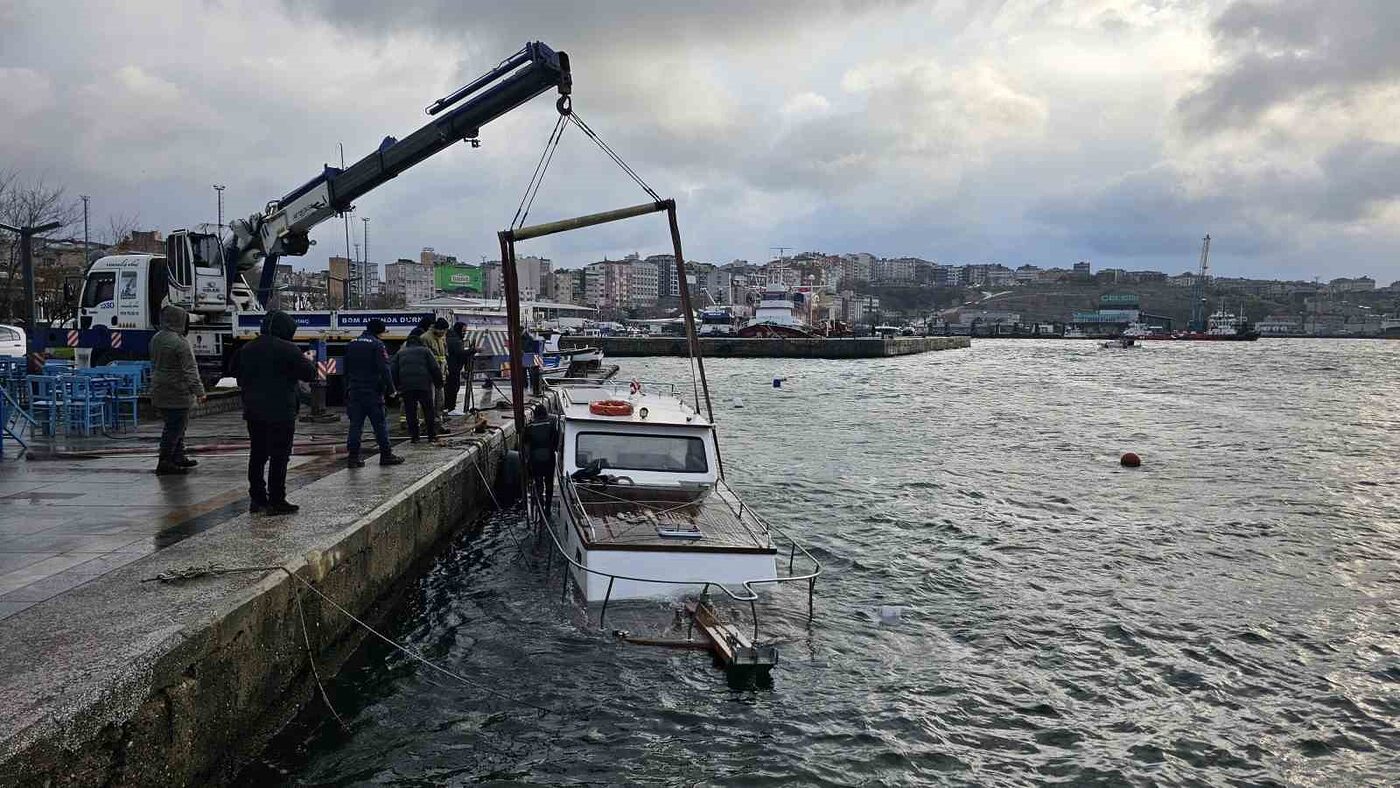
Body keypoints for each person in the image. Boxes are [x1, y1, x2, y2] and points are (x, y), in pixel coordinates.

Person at [230, 310, 315, 515]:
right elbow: (309, 373)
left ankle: (257, 498)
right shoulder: (288, 349)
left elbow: (233, 370)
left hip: (254, 411)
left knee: (258, 454)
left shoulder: (247, 348)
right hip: (281, 411)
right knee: (280, 455)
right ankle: (277, 499)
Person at [149, 304, 206, 475]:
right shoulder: (180, 343)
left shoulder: (156, 338)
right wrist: (199, 391)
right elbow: (190, 370)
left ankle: (178, 456)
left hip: (160, 387)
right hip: (177, 390)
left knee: (174, 424)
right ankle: (165, 461)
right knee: (175, 427)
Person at [343, 319, 405, 468]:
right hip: (372, 392)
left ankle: (353, 458)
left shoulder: (352, 344)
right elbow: (384, 369)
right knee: (380, 425)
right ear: (379, 331)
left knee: (355, 426)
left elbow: (345, 369)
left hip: (355, 392)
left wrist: (347, 389)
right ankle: (386, 455)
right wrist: (391, 390)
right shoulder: (377, 345)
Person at [390, 335, 442, 443]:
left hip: (407, 387)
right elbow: (435, 368)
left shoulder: (400, 353)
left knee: (410, 412)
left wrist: (397, 387)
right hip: (424, 386)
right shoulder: (425, 351)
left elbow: (393, 371)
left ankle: (414, 437)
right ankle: (431, 435)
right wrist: (439, 383)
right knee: (428, 410)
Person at [524, 403, 558, 512]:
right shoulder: (552, 424)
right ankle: (548, 508)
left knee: (538, 483)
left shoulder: (529, 426)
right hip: (549, 458)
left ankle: (539, 504)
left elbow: (525, 444)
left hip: (535, 459)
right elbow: (556, 441)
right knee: (549, 483)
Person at [444, 323, 477, 415]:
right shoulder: (455, 340)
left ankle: (449, 407)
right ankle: (450, 408)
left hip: (453, 368)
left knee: (452, 387)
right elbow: (460, 353)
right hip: (452, 368)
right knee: (452, 388)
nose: (464, 333)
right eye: (463, 331)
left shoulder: (455, 338)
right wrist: (474, 350)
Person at [422, 317, 449, 414]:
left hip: (440, 373)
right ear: (438, 329)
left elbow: (443, 356)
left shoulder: (441, 338)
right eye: (443, 331)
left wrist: (445, 370)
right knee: (431, 398)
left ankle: (438, 417)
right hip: (430, 373)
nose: (444, 333)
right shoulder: (425, 338)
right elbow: (427, 357)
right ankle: (428, 419)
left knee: (440, 398)